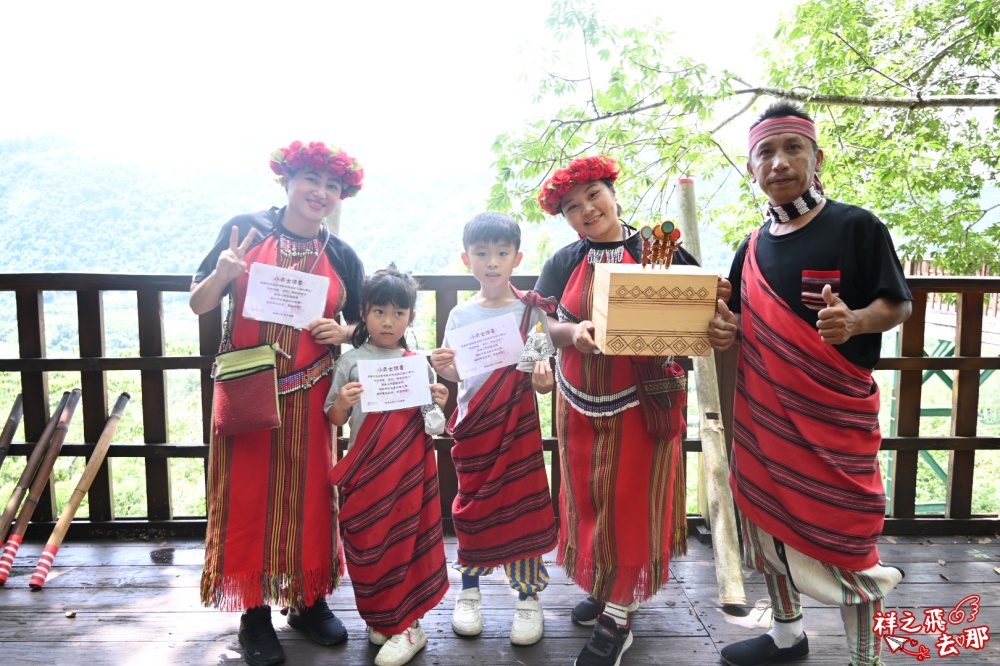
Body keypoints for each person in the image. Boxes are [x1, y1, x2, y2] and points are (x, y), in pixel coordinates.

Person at [708, 101, 913, 666]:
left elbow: (895, 304)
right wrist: (726, 332)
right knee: (767, 529)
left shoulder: (857, 226)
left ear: (816, 157)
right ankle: (786, 638)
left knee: (848, 537)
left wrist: (855, 321)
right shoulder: (749, 249)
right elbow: (737, 325)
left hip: (835, 422)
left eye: (792, 148)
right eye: (765, 152)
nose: (779, 162)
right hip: (765, 420)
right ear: (752, 169)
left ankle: (864, 657)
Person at [533, 155, 720, 666]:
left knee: (629, 504)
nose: (586, 210)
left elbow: (695, 317)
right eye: (572, 206)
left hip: (643, 403)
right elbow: (542, 326)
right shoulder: (565, 260)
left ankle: (617, 617)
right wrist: (572, 333)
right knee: (589, 499)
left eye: (593, 195)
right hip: (577, 402)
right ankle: (602, 581)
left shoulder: (659, 250)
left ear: (613, 192)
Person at [191, 141, 366, 666]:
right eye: (312, 179)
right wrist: (224, 272)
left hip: (313, 396)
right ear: (287, 181)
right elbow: (199, 302)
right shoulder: (246, 229)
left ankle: (307, 599)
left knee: (312, 498)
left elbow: (362, 321)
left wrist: (345, 329)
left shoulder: (342, 253)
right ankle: (254, 614)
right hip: (249, 392)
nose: (321, 192)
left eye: (332, 186)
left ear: (341, 196)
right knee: (249, 499)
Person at [429, 212, 558, 647]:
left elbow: (540, 375)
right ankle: (469, 593)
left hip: (517, 425)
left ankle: (527, 599)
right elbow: (455, 373)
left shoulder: (532, 311)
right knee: (471, 508)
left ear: (516, 258)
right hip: (474, 427)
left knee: (522, 505)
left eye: (502, 253)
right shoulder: (460, 314)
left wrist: (544, 382)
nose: (492, 262)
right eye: (482, 253)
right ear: (467, 259)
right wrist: (443, 368)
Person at [325, 264, 450, 666]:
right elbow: (335, 418)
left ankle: (409, 624)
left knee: (406, 541)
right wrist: (343, 400)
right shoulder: (350, 362)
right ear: (364, 312)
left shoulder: (418, 363)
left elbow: (434, 424)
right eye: (380, 311)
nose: (388, 320)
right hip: (366, 475)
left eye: (399, 313)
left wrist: (439, 401)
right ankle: (383, 616)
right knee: (367, 541)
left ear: (411, 318)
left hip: (409, 473)